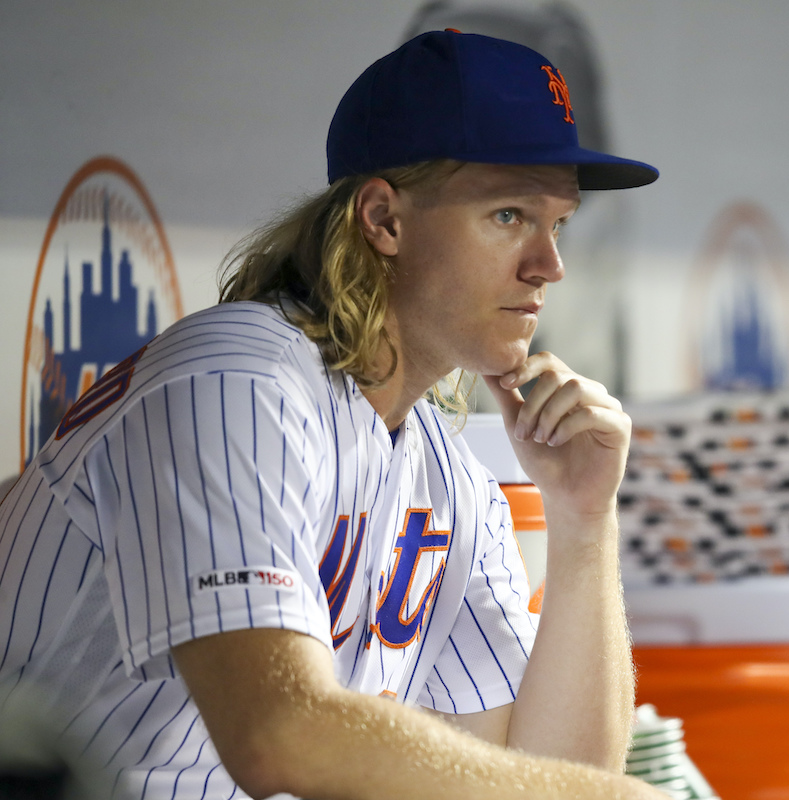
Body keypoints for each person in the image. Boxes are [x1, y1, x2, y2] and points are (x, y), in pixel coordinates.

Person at [0, 29, 665, 799]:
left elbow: (545, 773)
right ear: (383, 219)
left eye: (559, 224)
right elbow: (279, 735)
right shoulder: (237, 380)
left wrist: (584, 519)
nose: (549, 265)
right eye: (510, 215)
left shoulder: (447, 475)